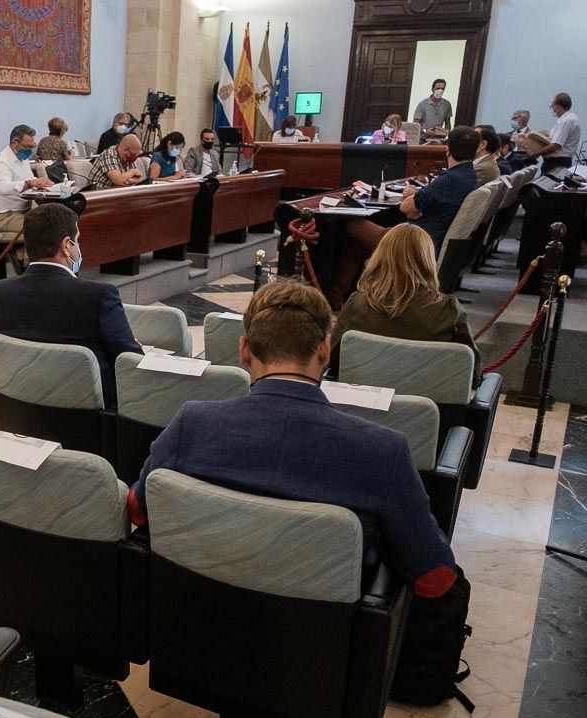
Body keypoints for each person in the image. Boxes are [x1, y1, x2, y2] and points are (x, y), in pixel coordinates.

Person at [129, 279, 456, 598]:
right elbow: (435, 578)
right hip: (328, 642)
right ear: (325, 350)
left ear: (244, 350)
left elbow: (138, 511)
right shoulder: (385, 451)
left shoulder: (192, 423)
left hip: (193, 627)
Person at [0, 204, 142, 408]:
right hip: (91, 421)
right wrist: (135, 347)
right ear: (67, 245)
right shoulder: (98, 296)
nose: (79, 247)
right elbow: (132, 362)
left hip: (13, 411)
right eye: (78, 240)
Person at [337, 126, 480, 304]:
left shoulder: (450, 179)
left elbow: (406, 207)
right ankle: (345, 296)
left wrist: (414, 201)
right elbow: (417, 206)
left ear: (447, 149)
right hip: (426, 236)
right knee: (356, 245)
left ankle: (343, 297)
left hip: (412, 241)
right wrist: (417, 202)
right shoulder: (469, 176)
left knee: (351, 224)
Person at [329, 224, 480, 379]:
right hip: (429, 401)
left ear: (379, 257)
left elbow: (328, 359)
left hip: (363, 400)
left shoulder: (357, 305)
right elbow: (472, 371)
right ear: (428, 261)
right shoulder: (448, 310)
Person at [0, 124, 53, 234]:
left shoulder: (23, 159)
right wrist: (31, 183)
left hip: (25, 212)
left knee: (56, 219)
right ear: (14, 143)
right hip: (5, 217)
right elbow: (4, 188)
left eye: (32, 146)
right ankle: (20, 252)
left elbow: (30, 181)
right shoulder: (1, 162)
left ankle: (23, 251)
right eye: (27, 147)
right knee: (43, 227)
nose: (30, 151)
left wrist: (42, 185)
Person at [531, 93, 580, 173]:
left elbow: (555, 145)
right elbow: (551, 134)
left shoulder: (566, 121)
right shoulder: (570, 118)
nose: (552, 109)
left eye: (552, 106)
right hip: (558, 162)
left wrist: (536, 153)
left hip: (557, 163)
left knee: (546, 184)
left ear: (558, 107)